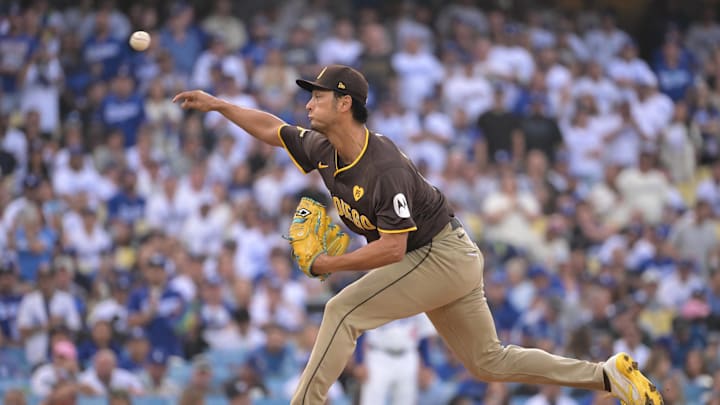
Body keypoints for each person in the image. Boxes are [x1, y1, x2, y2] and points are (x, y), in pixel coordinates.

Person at [173, 64, 663, 405]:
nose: (308, 103)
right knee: (488, 362)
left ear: (344, 103)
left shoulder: (381, 166)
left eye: (317, 95)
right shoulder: (324, 146)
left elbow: (393, 247)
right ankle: (607, 376)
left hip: (439, 255)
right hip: (445, 256)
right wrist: (219, 105)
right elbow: (273, 129)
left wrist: (326, 265)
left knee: (340, 310)